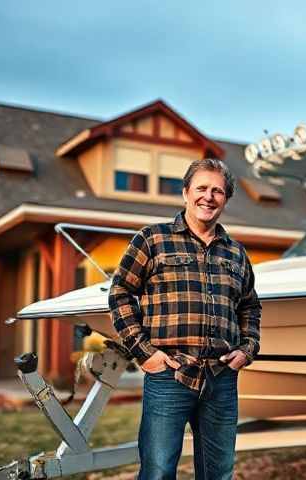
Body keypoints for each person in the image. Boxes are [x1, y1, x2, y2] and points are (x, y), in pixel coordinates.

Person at [109, 158, 261, 480]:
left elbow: (249, 306)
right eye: (202, 188)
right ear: (185, 193)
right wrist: (144, 352)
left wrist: (247, 348)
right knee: (158, 472)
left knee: (219, 474)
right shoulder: (152, 239)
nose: (209, 196)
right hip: (169, 376)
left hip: (221, 377)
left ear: (226, 199)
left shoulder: (236, 253)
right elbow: (120, 292)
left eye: (218, 191)